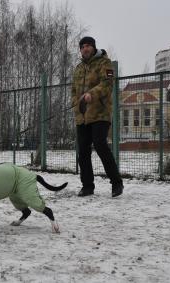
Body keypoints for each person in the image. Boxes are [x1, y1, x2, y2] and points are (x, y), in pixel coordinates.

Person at [71, 36, 124, 197]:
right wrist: (76, 104)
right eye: (82, 47)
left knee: (100, 145)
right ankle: (87, 186)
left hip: (100, 113)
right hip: (82, 116)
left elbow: (107, 84)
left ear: (94, 48)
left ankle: (116, 183)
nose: (85, 49)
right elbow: (73, 91)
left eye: (88, 46)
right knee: (83, 151)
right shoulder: (78, 68)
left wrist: (90, 94)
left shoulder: (104, 63)